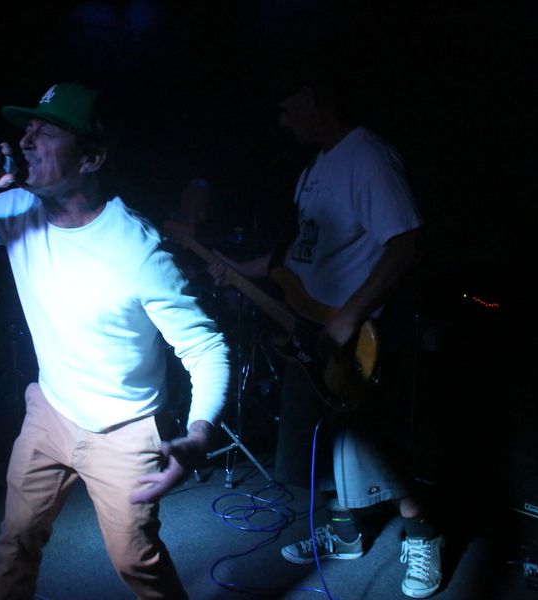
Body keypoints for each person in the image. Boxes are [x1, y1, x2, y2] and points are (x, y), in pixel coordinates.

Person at [0, 82, 230, 599]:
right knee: (15, 541)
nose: (25, 141)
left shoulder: (138, 250)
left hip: (125, 428)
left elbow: (206, 349)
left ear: (91, 158)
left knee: (135, 562)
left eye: (45, 132)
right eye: (26, 128)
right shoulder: (15, 208)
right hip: (51, 410)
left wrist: (199, 434)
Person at [209, 55, 442, 598]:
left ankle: (424, 534)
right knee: (328, 444)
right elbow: (294, 259)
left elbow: (406, 242)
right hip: (309, 330)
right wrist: (236, 269)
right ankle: (346, 533)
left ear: (311, 98)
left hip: (354, 337)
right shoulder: (312, 171)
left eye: (286, 108)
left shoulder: (368, 157)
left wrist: (347, 318)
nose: (282, 121)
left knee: (371, 442)